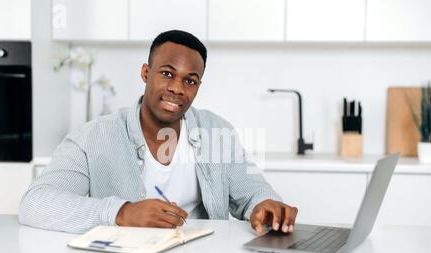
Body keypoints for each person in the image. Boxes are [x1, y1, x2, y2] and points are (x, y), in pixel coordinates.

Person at [19, 30, 298, 235]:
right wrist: (122, 212)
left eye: (190, 80)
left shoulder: (216, 131)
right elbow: (36, 203)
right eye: (167, 73)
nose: (178, 88)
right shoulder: (93, 138)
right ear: (145, 73)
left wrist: (265, 204)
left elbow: (250, 192)